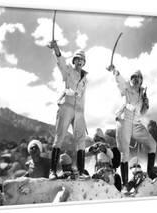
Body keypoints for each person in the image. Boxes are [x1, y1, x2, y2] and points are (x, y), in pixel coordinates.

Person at [108, 65, 157, 189]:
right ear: (131, 80)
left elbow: (142, 113)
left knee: (152, 144)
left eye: (138, 78)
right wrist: (114, 70)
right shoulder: (126, 87)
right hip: (124, 120)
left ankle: (151, 173)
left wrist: (146, 105)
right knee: (124, 153)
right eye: (133, 77)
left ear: (141, 80)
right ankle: (125, 184)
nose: (136, 79)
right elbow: (119, 80)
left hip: (136, 123)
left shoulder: (142, 93)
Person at [48, 40, 89, 179]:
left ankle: (81, 172)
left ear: (84, 63)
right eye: (78, 59)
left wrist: (83, 114)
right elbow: (60, 63)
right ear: (74, 60)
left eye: (82, 60)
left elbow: (83, 97)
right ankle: (52, 171)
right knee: (59, 136)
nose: (80, 62)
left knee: (81, 139)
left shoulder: (85, 79)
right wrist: (56, 49)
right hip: (66, 106)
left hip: (79, 111)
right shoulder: (68, 71)